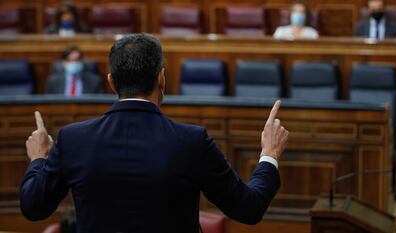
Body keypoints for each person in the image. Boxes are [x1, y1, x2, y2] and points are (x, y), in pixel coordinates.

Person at [20, 33, 289, 233]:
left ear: (111, 81)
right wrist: (269, 154)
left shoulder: (72, 139)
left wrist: (38, 159)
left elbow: (33, 207)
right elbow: (248, 208)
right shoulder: (192, 141)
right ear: (161, 78)